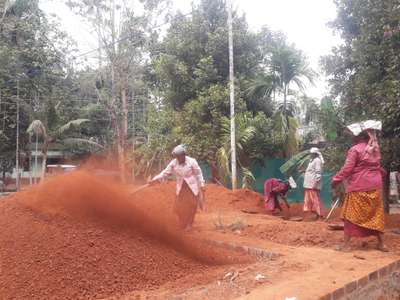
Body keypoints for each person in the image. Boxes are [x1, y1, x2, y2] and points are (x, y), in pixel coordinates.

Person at [332, 120, 388, 252]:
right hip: (375, 185)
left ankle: (346, 245)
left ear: (359, 136)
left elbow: (347, 169)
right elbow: (377, 166)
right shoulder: (375, 149)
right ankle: (382, 244)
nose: (352, 137)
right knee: (376, 214)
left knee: (350, 215)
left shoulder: (355, 149)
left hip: (359, 185)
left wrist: (335, 179)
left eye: (353, 135)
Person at [150, 145, 205, 231]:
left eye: (179, 156)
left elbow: (198, 173)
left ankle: (189, 225)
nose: (178, 159)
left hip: (191, 186)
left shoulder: (192, 161)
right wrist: (154, 179)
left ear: (183, 155)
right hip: (181, 186)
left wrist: (202, 184)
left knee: (191, 206)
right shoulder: (173, 163)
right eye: (176, 157)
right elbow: (165, 172)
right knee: (178, 207)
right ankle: (182, 222)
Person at [303, 147, 325, 220]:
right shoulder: (312, 160)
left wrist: (315, 184)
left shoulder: (317, 160)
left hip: (313, 184)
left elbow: (318, 173)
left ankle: (320, 216)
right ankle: (317, 215)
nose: (311, 154)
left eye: (312, 153)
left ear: (315, 154)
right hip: (308, 184)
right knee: (310, 201)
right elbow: (311, 171)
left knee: (315, 200)